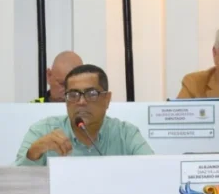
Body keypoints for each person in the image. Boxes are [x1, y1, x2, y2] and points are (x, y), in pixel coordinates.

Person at [16, 64, 153, 165]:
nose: (81, 101)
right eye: (73, 95)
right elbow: (14, 182)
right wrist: (33, 153)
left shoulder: (126, 134)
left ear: (107, 99)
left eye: (91, 94)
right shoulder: (43, 130)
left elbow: (155, 172)